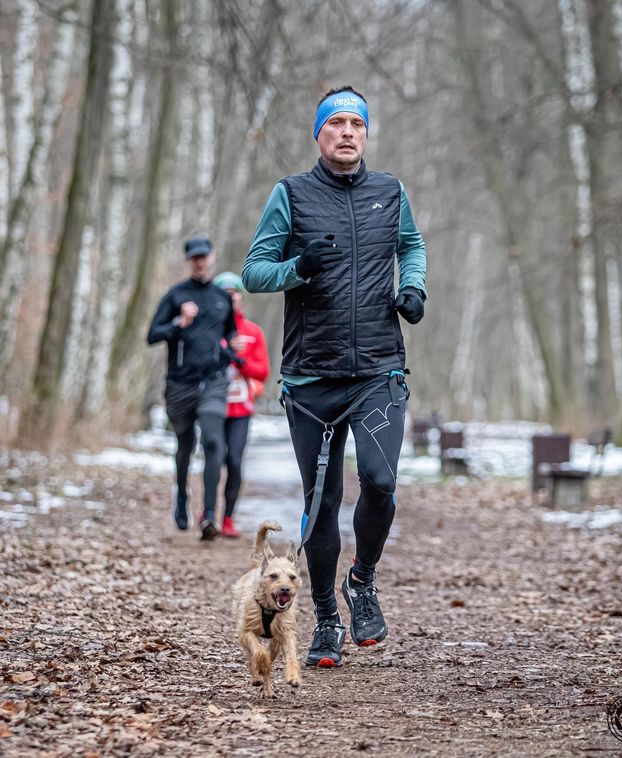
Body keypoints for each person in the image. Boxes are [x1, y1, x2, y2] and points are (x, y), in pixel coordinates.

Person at [242, 86, 427, 668]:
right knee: (321, 503)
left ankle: (362, 582)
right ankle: (324, 618)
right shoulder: (290, 194)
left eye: (356, 123)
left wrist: (414, 287)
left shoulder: (389, 192)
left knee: (380, 480)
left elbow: (412, 245)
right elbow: (254, 273)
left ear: (366, 134)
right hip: (312, 377)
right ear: (318, 133)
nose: (347, 132)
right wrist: (299, 268)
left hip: (377, 369)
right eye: (336, 123)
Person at [147, 237, 236, 540]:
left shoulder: (221, 298)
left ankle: (210, 514)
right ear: (188, 260)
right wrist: (179, 323)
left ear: (212, 257)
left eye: (204, 256)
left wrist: (229, 353)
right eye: (194, 257)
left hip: (213, 382)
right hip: (180, 384)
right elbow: (152, 334)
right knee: (184, 445)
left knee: (213, 442)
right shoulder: (176, 295)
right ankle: (182, 497)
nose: (199, 262)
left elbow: (228, 338)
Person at [213, 271, 270, 539]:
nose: (229, 298)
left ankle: (227, 518)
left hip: (240, 410)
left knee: (234, 461)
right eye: (224, 293)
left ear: (241, 300)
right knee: (214, 460)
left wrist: (238, 359)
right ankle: (207, 515)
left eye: (234, 293)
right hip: (211, 406)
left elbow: (263, 371)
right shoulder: (208, 330)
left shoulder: (252, 332)